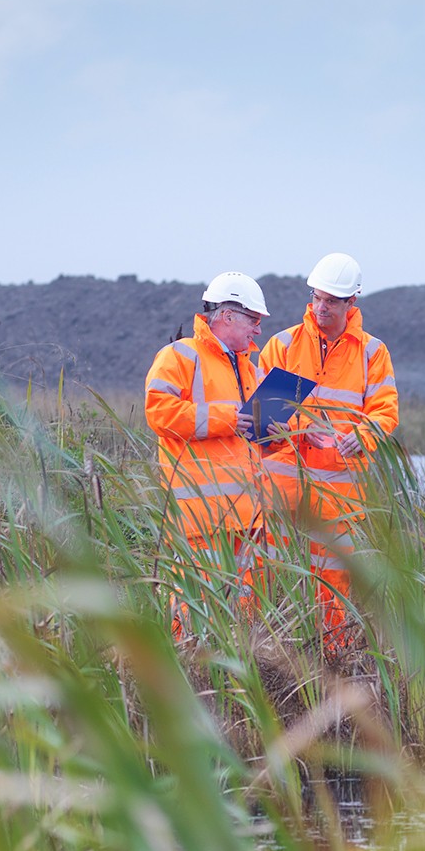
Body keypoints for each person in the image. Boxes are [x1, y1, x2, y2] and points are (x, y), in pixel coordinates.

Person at [255, 252, 398, 631]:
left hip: (340, 490)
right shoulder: (283, 345)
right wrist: (303, 428)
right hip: (279, 483)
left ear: (352, 302)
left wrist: (363, 436)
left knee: (335, 578)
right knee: (261, 570)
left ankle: (335, 655)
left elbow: (385, 413)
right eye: (316, 297)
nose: (321, 307)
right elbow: (259, 415)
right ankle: (256, 651)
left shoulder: (372, 353)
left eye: (331, 301)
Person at [143, 271, 266, 639]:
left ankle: (236, 686)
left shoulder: (249, 367)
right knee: (189, 611)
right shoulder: (179, 355)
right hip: (201, 520)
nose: (258, 331)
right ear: (228, 316)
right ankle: (183, 680)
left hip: (247, 520)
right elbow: (159, 414)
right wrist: (229, 418)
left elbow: (251, 434)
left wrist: (269, 429)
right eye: (254, 320)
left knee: (242, 618)